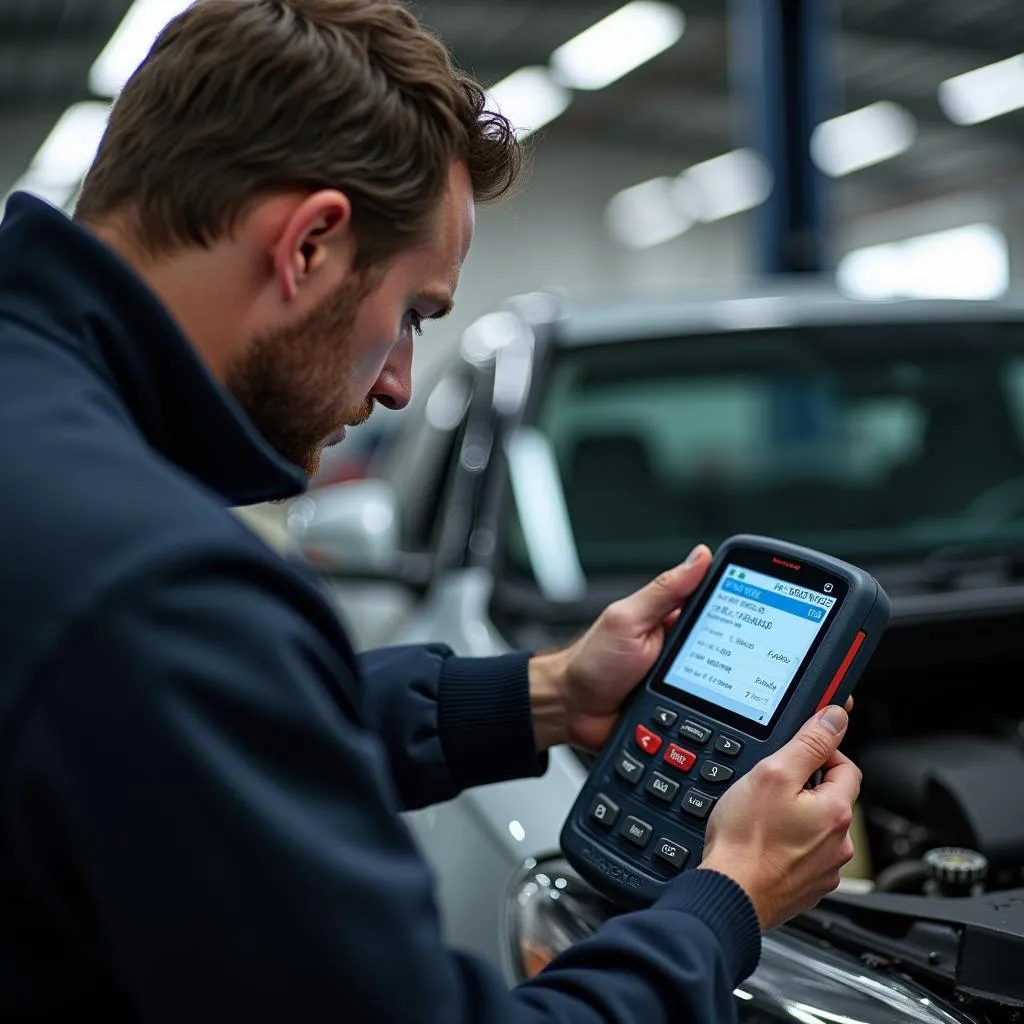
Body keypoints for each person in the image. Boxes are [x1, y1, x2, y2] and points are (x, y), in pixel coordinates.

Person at [0, 1, 860, 1021]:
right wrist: (725, 905)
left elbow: (154, 742)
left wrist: (544, 695)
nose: (401, 384)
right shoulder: (160, 584)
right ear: (309, 245)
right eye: (412, 313)